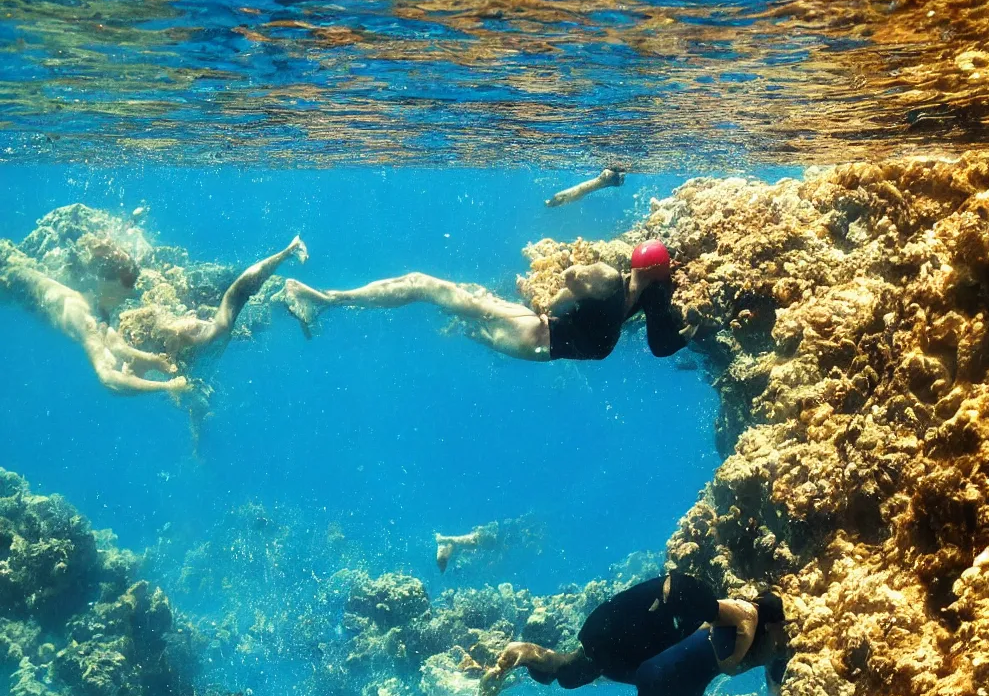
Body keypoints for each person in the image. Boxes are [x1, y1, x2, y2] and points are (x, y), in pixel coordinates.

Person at [477, 572, 788, 696]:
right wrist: (735, 661)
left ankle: (523, 653)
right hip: (650, 622)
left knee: (572, 672)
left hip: (626, 631)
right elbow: (739, 631)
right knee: (599, 679)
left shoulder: (725, 618)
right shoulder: (741, 614)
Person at [276, 239, 688, 362]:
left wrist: (550, 300)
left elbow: (568, 282)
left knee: (424, 285)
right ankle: (324, 301)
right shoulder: (649, 299)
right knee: (462, 307)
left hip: (535, 328)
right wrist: (702, 326)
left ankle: (324, 299)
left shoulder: (609, 279)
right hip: (539, 346)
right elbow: (660, 347)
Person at [0, 234, 307, 395]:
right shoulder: (89, 319)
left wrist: (285, 252)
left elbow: (241, 289)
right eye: (126, 289)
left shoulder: (107, 315)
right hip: (17, 285)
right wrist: (166, 386)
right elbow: (108, 378)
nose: (198, 321)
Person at [545, 167, 626, 208]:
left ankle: (612, 177)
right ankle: (613, 177)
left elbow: (559, 198)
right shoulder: (560, 197)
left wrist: (550, 203)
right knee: (601, 183)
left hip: (600, 181)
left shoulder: (559, 197)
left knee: (601, 182)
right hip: (599, 182)